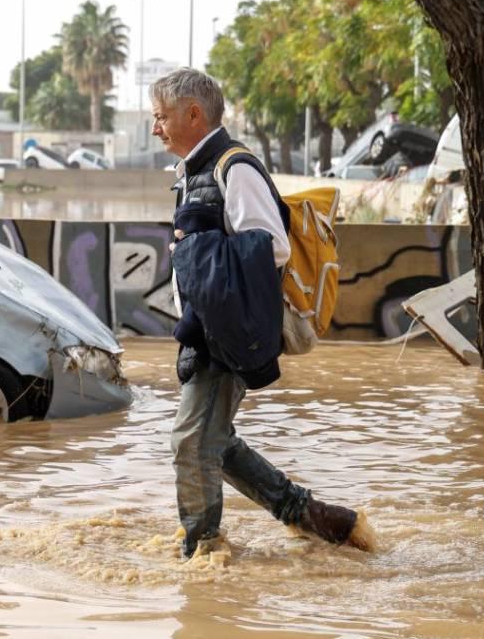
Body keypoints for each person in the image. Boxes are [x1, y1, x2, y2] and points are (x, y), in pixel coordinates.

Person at [152, 68, 375, 559]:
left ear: (194, 114)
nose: (155, 128)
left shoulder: (236, 167)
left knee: (190, 442)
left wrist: (194, 247)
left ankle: (202, 552)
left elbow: (270, 246)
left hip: (226, 331)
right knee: (214, 441)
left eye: (161, 117)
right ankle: (319, 519)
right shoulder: (195, 171)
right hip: (206, 328)